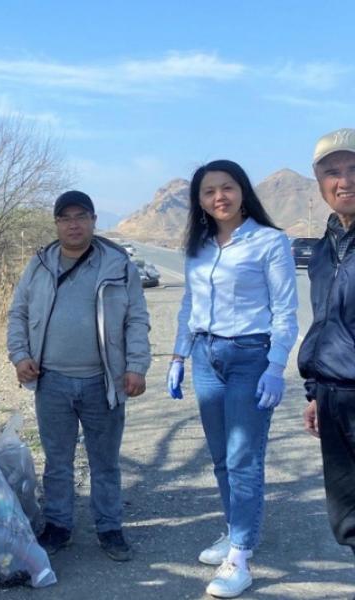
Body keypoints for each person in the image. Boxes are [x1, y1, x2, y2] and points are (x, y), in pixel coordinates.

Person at [168, 160, 298, 598]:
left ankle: (240, 555)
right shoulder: (198, 245)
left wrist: (276, 366)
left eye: (227, 188)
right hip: (205, 356)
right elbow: (189, 303)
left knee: (244, 457)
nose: (218, 197)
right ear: (199, 200)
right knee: (222, 457)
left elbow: (285, 312)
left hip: (249, 356)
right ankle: (234, 529)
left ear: (243, 191)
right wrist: (178, 356)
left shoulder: (269, 242)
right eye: (209, 191)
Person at [6, 190, 151, 560]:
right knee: (57, 462)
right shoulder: (38, 265)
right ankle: (58, 526)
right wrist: (20, 356)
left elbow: (136, 318)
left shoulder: (117, 264)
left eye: (80, 216)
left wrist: (136, 366)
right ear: (56, 224)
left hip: (103, 382)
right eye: (65, 218)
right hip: (51, 381)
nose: (73, 224)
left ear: (93, 220)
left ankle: (110, 528)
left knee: (105, 461)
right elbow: (18, 313)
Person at [299, 128, 355, 558]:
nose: (345, 181)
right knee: (348, 520)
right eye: (333, 172)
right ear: (319, 182)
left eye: (354, 169)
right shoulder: (324, 249)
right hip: (333, 399)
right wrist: (314, 393)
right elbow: (323, 326)